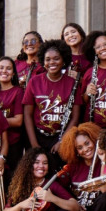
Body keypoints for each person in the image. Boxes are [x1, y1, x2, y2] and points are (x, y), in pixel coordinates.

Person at [23, 40, 82, 170]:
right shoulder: (34, 82)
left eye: (56, 59)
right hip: (37, 135)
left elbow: (75, 117)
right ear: (43, 61)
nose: (52, 63)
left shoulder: (73, 83)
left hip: (61, 135)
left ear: (63, 60)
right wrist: (34, 143)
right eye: (48, 59)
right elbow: (27, 114)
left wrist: (62, 141)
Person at [57, 122, 106, 211]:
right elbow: (59, 187)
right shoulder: (73, 166)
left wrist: (103, 160)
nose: (86, 149)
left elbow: (104, 190)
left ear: (94, 140)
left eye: (87, 143)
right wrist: (74, 205)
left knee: (104, 198)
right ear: (76, 151)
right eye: (80, 148)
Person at [0, 56, 25, 182]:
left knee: (9, 181)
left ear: (13, 73)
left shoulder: (18, 91)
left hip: (12, 145)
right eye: (1, 68)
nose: (4, 71)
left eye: (8, 68)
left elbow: (18, 120)